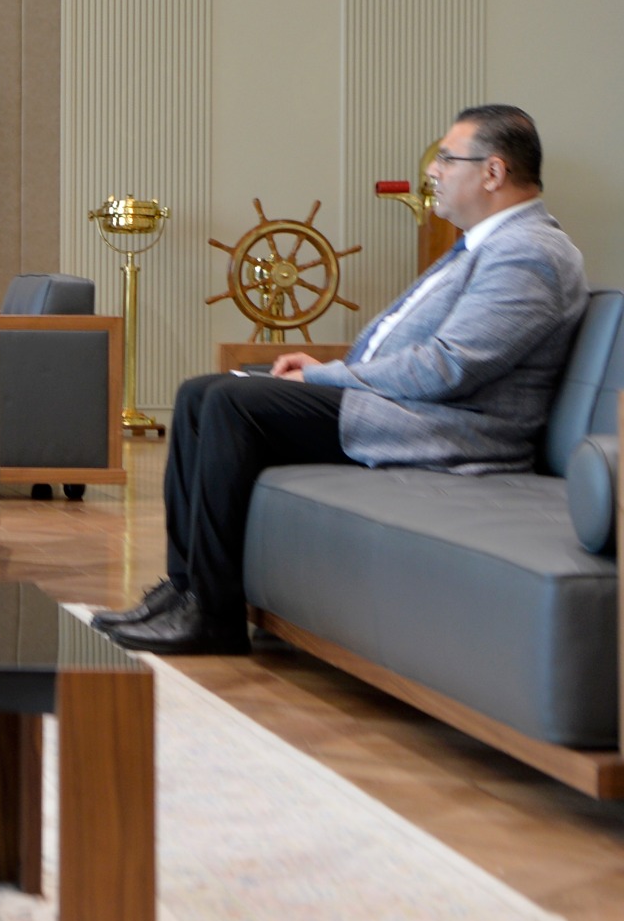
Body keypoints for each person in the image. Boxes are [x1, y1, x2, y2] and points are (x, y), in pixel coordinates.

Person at [96, 104, 588, 655]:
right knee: (199, 392)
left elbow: (448, 366)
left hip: (451, 428)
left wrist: (328, 377)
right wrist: (326, 373)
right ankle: (184, 591)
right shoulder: (485, 243)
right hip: (411, 407)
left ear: (493, 172)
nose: (433, 171)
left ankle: (214, 615)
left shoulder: (529, 252)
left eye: (448, 159)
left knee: (234, 404)